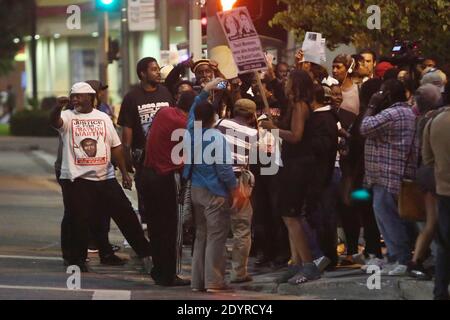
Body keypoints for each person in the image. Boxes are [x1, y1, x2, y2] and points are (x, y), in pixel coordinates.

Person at [50, 82, 152, 272]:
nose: (75, 99)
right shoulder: (68, 116)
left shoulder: (103, 117)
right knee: (78, 220)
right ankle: (77, 260)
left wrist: (123, 172)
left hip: (105, 177)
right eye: (73, 96)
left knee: (126, 214)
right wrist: (58, 107)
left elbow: (116, 146)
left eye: (79, 96)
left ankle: (145, 252)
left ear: (90, 97)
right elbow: (54, 121)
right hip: (77, 179)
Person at [260, 70, 321, 285]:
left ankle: (307, 264)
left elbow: (296, 135)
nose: (285, 85)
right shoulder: (296, 104)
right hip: (295, 163)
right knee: (288, 216)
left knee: (291, 215)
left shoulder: (300, 106)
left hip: (298, 165)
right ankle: (296, 263)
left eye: (288, 82)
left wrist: (273, 129)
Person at [184, 78, 241, 293]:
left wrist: (204, 92)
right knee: (216, 238)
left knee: (201, 237)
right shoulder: (215, 137)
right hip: (214, 192)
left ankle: (197, 282)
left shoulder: (189, 132)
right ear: (213, 118)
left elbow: (193, 111)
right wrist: (234, 189)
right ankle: (214, 282)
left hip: (196, 189)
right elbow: (224, 169)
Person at [360, 79, 418, 276]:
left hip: (387, 173)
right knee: (389, 218)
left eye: (382, 93)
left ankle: (400, 258)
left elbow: (365, 127)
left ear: (389, 95)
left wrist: (372, 105)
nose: (379, 95)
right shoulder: (407, 112)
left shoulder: (392, 113)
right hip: (392, 173)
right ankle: (395, 256)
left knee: (388, 219)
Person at [141, 90, 196, 286]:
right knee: (172, 229)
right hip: (167, 178)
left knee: (155, 227)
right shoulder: (187, 124)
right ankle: (169, 274)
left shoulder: (163, 113)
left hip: (148, 175)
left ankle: (159, 270)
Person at [118, 57, 175, 228]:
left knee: (167, 199)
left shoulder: (165, 92)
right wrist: (127, 157)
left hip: (167, 156)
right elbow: (127, 129)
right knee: (148, 200)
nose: (158, 72)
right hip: (143, 157)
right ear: (143, 73)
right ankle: (151, 232)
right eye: (153, 69)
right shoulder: (131, 97)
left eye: (158, 69)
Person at [216, 99, 258, 283]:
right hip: (238, 181)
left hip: (215, 180)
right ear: (252, 115)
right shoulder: (254, 133)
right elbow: (261, 157)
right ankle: (238, 273)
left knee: (217, 228)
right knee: (241, 229)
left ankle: (216, 271)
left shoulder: (220, 123)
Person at [408, 84, 443, 279]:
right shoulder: (436, 119)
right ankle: (421, 260)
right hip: (434, 174)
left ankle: (417, 260)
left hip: (424, 173)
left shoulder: (421, 119)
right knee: (434, 221)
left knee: (431, 221)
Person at [422, 104, 450, 300]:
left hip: (443, 190)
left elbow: (427, 159)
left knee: (445, 245)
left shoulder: (434, 121)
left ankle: (440, 292)